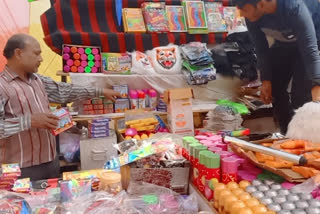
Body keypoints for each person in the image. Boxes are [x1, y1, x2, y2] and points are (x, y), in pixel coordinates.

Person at [0, 34, 121, 180]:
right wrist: (29, 121)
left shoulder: (38, 80)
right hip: (19, 168)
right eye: (36, 53)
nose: (41, 59)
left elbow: (65, 91)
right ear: (19, 53)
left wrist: (99, 91)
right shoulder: (2, 86)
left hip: (50, 162)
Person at [234, 0, 320, 134]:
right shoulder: (252, 17)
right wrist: (266, 80)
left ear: (261, 4)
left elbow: (310, 49)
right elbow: (261, 49)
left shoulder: (293, 6)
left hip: (312, 42)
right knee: (274, 88)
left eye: (244, 9)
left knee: (301, 95)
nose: (241, 13)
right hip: (285, 44)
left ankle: (305, 138)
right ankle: (287, 134)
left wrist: (316, 84)